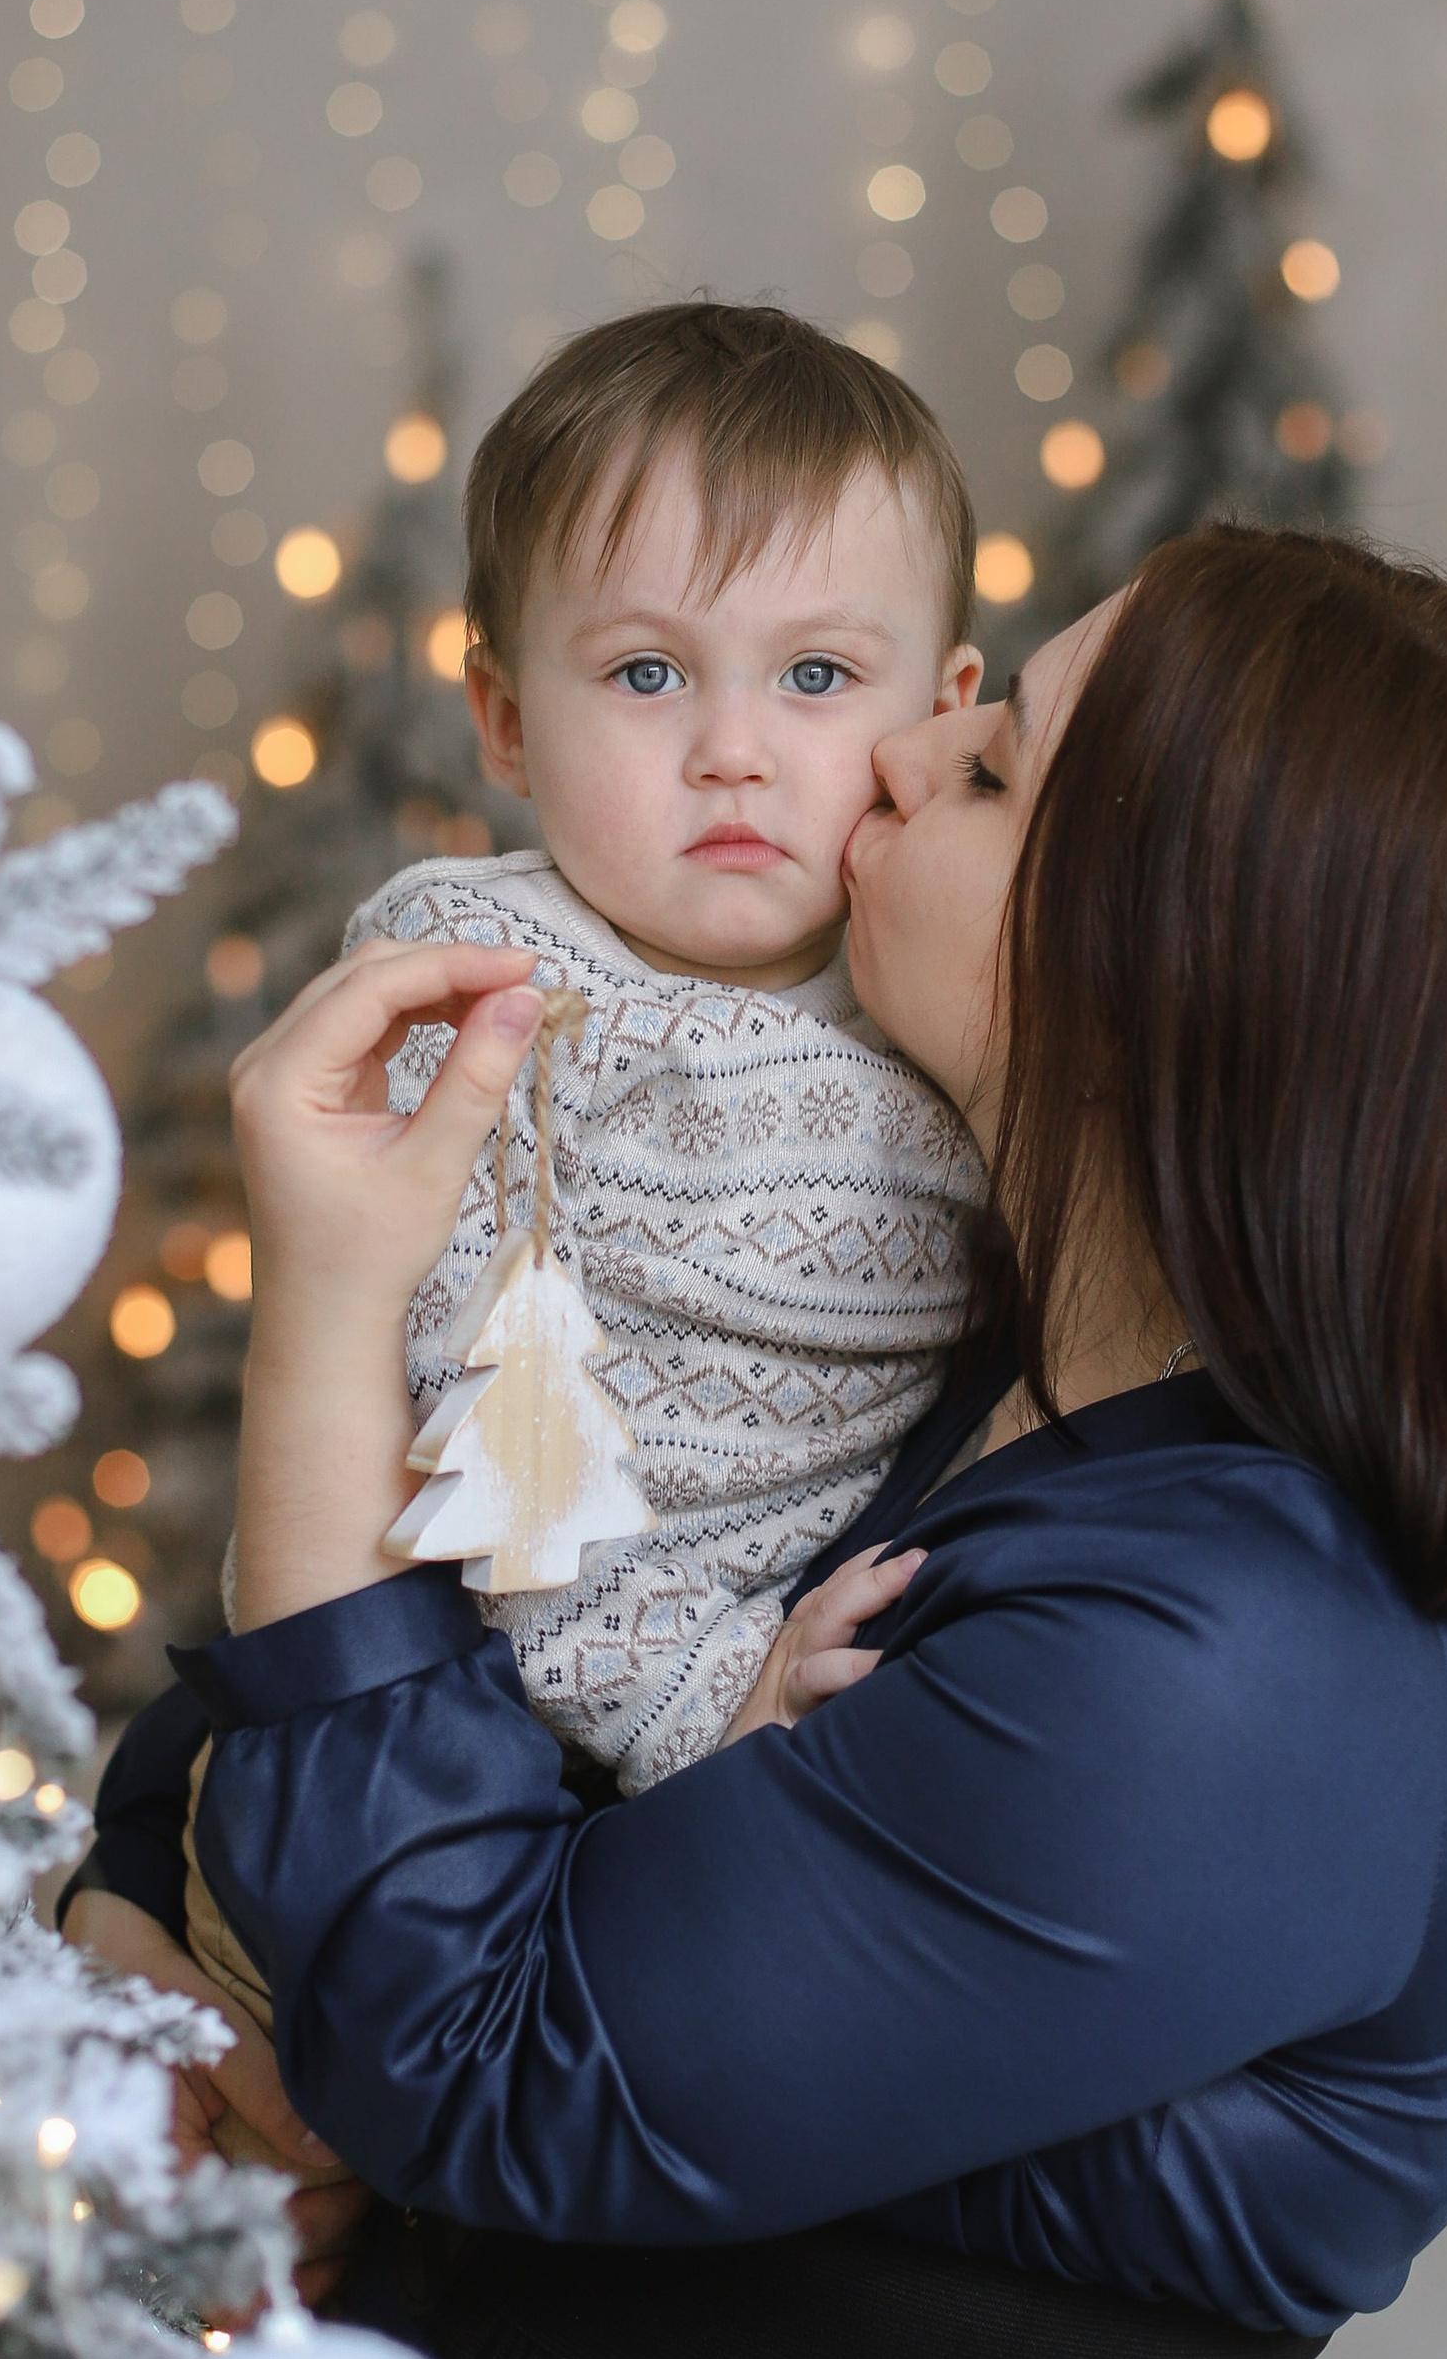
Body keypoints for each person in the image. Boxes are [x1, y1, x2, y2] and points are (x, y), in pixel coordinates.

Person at [68, 523, 1447, 2359]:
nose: (909, 745)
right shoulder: (979, 1353)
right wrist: (139, 1881)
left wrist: (335, 1312)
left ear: (1158, 981)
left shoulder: (1226, 1661)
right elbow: (513, 1670)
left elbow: (468, 2051)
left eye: (996, 763)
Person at [178, 304, 993, 2031]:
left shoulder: (965, 975)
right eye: (645, 674)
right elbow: (469, 1452)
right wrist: (706, 1692)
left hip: (772, 1712)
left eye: (817, 676)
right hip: (453, 1720)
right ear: (503, 717)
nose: (732, 748)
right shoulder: (486, 994)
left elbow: (1224, 1226)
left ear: (943, 710)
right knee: (300, 2077)